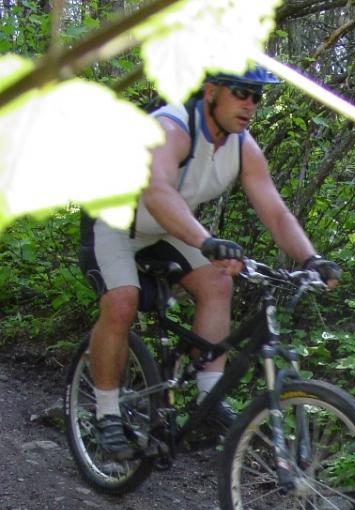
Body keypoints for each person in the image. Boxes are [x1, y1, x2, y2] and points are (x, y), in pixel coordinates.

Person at [79, 67, 340, 458]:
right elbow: (157, 192)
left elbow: (276, 213)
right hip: (115, 221)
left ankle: (207, 400)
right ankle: (107, 415)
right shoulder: (171, 128)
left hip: (167, 229)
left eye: (257, 96)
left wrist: (311, 257)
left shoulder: (242, 147)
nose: (250, 104)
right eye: (241, 92)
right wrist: (206, 241)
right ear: (211, 91)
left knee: (219, 284)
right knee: (121, 302)